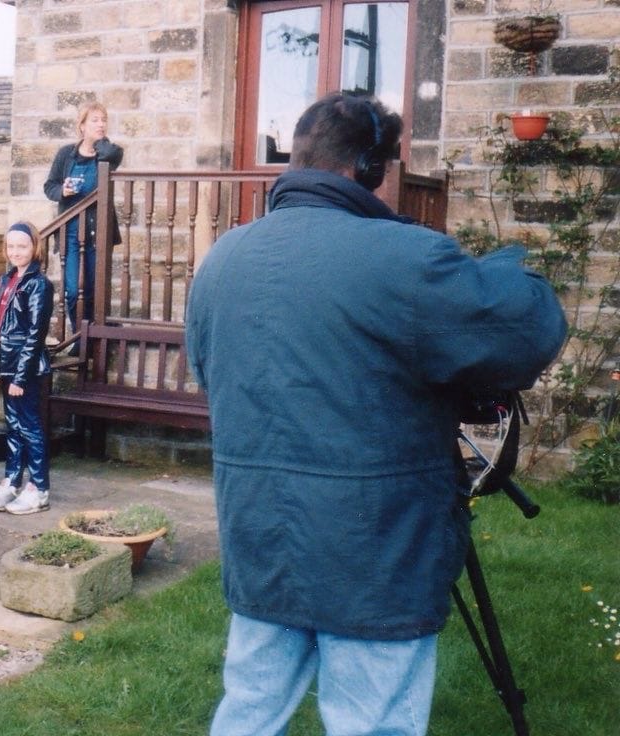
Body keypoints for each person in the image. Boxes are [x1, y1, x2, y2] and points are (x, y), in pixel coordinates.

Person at [185, 93, 567, 736]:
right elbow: (525, 328)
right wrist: (505, 266)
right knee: (373, 723)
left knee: (249, 711)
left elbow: (211, 374)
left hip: (261, 536)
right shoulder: (407, 259)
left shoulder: (222, 258)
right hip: (375, 550)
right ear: (372, 168)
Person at [0, 221, 55, 515]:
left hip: (25, 369)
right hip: (7, 365)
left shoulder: (39, 285)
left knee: (30, 428)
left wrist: (20, 376)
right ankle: (13, 479)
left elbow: (34, 334)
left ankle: (39, 488)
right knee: (13, 427)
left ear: (34, 248)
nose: (16, 252)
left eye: (22, 246)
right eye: (11, 246)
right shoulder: (8, 280)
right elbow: (0, 325)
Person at [43, 101, 124, 334]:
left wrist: (98, 143)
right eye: (95, 120)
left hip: (97, 233)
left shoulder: (108, 153)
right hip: (70, 232)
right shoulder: (65, 155)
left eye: (104, 120)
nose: (101, 124)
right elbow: (50, 186)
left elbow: (113, 153)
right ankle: (80, 336)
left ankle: (92, 337)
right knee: (72, 289)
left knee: (92, 289)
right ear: (82, 126)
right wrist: (63, 191)